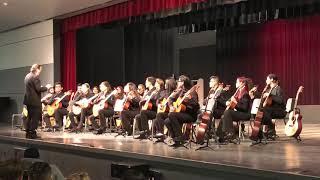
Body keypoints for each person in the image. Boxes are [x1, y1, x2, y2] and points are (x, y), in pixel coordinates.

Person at [164, 75, 200, 146]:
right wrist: (171, 106)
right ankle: (175, 139)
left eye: (179, 81)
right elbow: (170, 99)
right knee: (167, 121)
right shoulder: (180, 91)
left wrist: (189, 100)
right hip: (182, 114)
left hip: (191, 115)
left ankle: (180, 137)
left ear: (183, 82)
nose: (177, 82)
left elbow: (196, 106)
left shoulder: (192, 92)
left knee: (171, 115)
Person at [217, 77, 251, 143]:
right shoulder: (238, 92)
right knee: (225, 114)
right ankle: (221, 135)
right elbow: (232, 102)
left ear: (242, 83)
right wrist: (229, 102)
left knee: (228, 112)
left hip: (245, 114)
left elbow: (244, 108)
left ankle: (231, 135)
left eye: (237, 82)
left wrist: (235, 102)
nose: (235, 84)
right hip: (239, 112)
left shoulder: (245, 94)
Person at [23, 64, 51, 139]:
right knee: (35, 117)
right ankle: (32, 133)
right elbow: (38, 89)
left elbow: (33, 88)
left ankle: (28, 132)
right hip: (34, 101)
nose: (40, 72)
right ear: (37, 69)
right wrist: (47, 87)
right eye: (40, 70)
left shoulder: (27, 76)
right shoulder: (35, 77)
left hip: (28, 100)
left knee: (29, 116)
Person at [261, 74, 286, 139]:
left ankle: (270, 131)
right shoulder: (268, 89)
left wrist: (270, 95)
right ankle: (262, 132)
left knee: (266, 111)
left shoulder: (278, 89)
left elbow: (280, 100)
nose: (266, 80)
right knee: (261, 110)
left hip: (279, 110)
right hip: (271, 110)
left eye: (267, 79)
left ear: (272, 80)